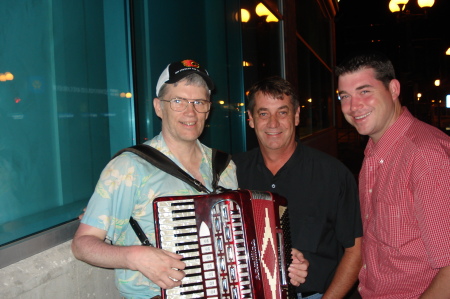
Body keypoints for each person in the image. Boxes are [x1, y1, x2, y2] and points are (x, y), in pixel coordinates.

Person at [72, 59, 307, 298]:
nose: (190, 112)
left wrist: (280, 255)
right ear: (158, 107)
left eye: (199, 102)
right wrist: (134, 257)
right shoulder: (129, 167)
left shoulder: (224, 167)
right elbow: (83, 245)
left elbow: (236, 243)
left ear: (208, 108)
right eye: (178, 101)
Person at [233, 76, 363, 299]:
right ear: (251, 119)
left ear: (296, 116)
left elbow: (357, 250)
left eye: (282, 112)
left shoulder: (333, 174)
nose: (273, 123)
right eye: (263, 113)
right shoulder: (231, 173)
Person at [336, 51, 450, 298]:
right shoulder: (374, 152)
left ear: (394, 89)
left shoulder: (426, 156)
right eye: (345, 96)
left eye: (365, 91)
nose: (353, 106)